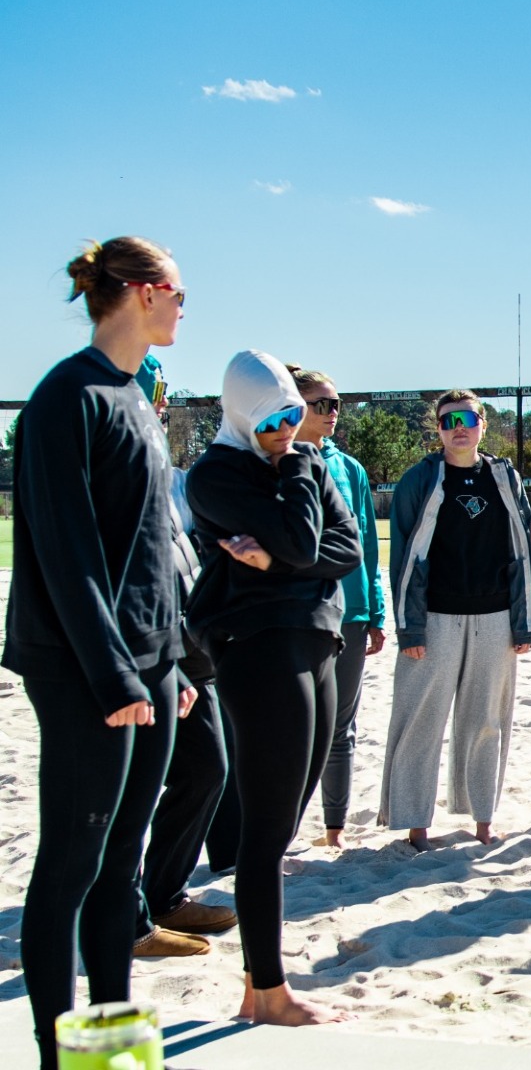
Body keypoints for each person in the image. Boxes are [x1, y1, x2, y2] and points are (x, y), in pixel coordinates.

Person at [5, 237, 192, 1068]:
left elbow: (156, 548)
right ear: (144, 294)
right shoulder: (64, 399)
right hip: (84, 667)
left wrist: (172, 659)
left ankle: (110, 1048)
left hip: (150, 662)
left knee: (123, 864)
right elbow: (64, 552)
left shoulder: (134, 398)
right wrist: (115, 672)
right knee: (72, 865)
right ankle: (56, 1055)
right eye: (180, 294)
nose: (185, 307)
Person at [185, 349, 360, 1026]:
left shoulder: (310, 464)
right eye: (274, 422)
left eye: (295, 417)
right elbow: (301, 533)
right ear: (241, 418)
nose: (287, 431)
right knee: (264, 827)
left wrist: (284, 553)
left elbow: (341, 549)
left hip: (317, 635)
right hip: (257, 647)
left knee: (286, 822)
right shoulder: (218, 475)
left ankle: (265, 988)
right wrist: (292, 480)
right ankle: (265, 990)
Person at [381, 391, 531, 848]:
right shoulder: (421, 479)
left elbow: (520, 552)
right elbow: (404, 561)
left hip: (493, 617)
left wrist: (523, 622)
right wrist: (409, 627)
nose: (459, 427)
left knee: (487, 721)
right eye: (449, 420)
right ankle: (415, 826)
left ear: (483, 424)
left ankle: (483, 820)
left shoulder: (504, 477)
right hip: (434, 618)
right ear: (438, 429)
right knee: (420, 721)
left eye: (468, 418)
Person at [131, 356, 237, 957]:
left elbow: (184, 558)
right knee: (134, 792)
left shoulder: (170, 476)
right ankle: (130, 919)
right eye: (154, 394)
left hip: (187, 644)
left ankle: (166, 894)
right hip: (149, 652)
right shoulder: (115, 467)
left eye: (164, 396)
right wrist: (160, 661)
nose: (162, 406)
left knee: (206, 769)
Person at [284, 365, 386, 848]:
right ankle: (279, 830)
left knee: (340, 729)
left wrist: (376, 613)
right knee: (291, 729)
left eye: (336, 404)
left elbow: (367, 542)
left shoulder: (350, 469)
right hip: (297, 614)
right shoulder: (273, 460)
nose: (331, 413)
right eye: (320, 404)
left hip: (351, 614)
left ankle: (333, 830)